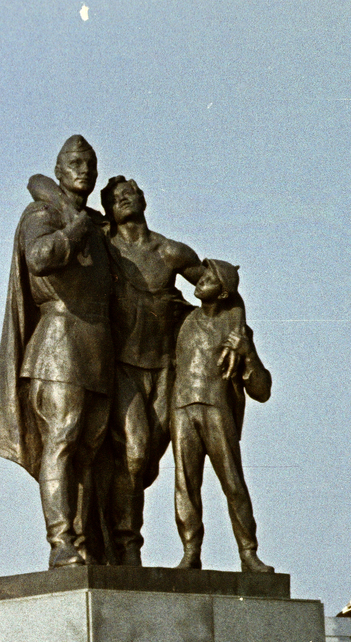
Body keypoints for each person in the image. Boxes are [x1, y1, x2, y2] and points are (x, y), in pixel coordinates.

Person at [0, 135, 115, 568]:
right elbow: (40, 257)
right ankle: (61, 541)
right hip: (57, 344)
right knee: (61, 442)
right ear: (59, 171)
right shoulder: (42, 214)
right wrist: (76, 225)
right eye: (75, 162)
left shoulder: (96, 226)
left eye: (90, 163)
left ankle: (86, 542)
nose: (84, 169)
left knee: (90, 451)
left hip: (98, 347)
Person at [99, 175, 203, 565]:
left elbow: (218, 288)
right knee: (136, 452)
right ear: (109, 210)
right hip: (123, 367)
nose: (125, 199)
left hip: (166, 368)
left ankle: (119, 532)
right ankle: (128, 546)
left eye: (130, 193)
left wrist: (231, 329)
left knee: (147, 463)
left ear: (143, 198)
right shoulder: (106, 250)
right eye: (116, 198)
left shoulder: (170, 251)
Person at [170, 259, 274, 573]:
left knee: (232, 482)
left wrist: (247, 354)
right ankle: (190, 551)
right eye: (203, 274)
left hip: (217, 408)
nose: (202, 280)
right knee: (185, 484)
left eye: (211, 277)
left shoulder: (238, 333)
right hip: (182, 407)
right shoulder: (184, 319)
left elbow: (262, 390)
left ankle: (248, 553)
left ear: (224, 292)